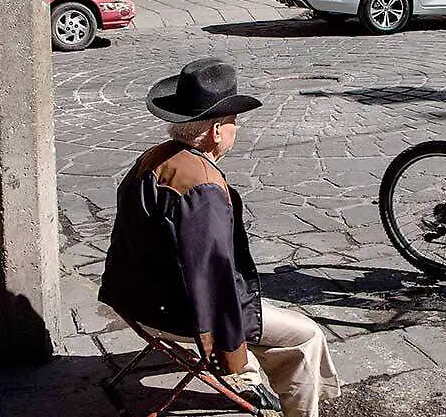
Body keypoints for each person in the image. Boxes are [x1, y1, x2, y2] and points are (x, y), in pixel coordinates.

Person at [100, 59, 341, 417]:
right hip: (175, 313)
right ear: (215, 131)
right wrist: (232, 355)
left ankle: (260, 379)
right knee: (307, 336)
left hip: (131, 297)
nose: (236, 129)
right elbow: (213, 282)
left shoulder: (153, 158)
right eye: (233, 121)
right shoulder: (203, 188)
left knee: (260, 311)